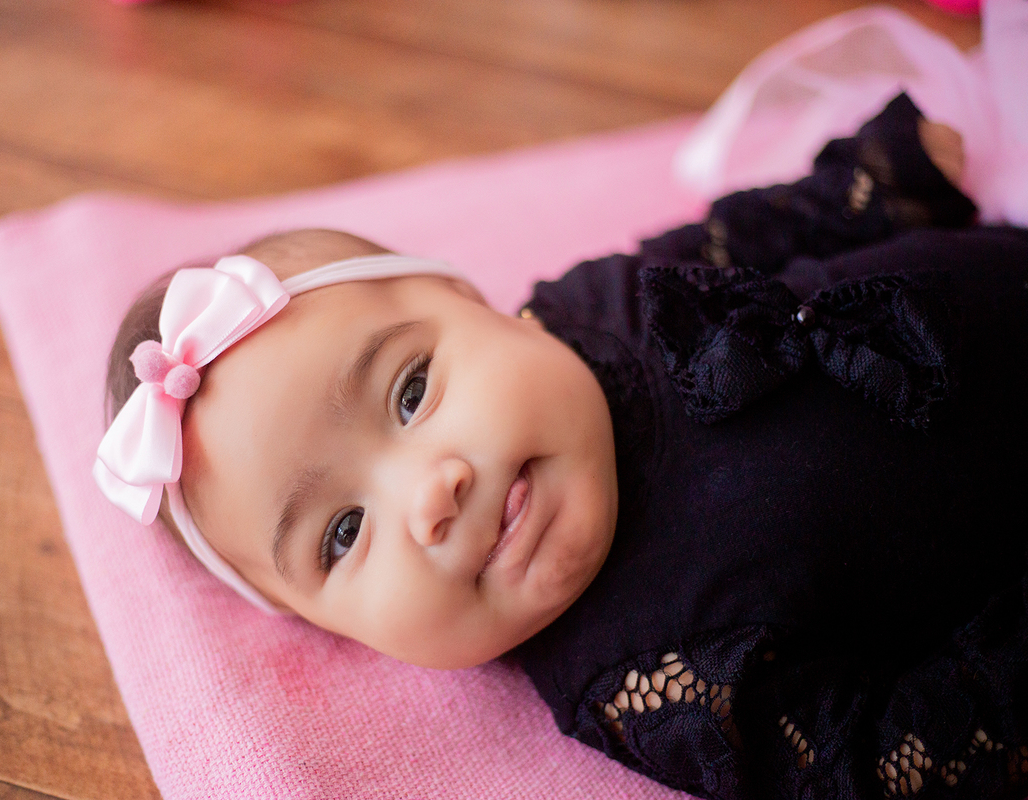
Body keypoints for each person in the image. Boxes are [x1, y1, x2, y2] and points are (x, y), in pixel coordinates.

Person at [95, 94, 1028, 799]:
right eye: (342, 534)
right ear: (345, 636)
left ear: (474, 302)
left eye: (412, 391)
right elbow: (872, 761)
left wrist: (875, 180)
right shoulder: (653, 677)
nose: (431, 495)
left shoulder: (587, 308)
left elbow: (742, 236)